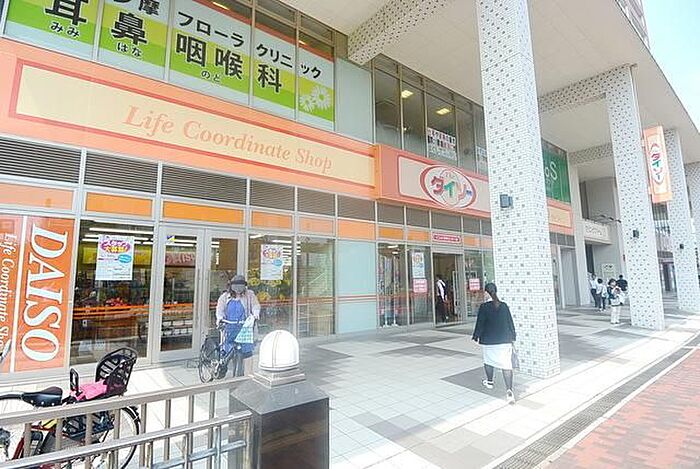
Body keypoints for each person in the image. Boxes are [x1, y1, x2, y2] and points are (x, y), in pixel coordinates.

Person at [472, 283, 517, 404]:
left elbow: (480, 323)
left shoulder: (484, 307)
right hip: (505, 340)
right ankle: (509, 390)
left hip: (489, 340)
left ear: (486, 293)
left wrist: (476, 336)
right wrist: (513, 336)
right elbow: (510, 322)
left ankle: (490, 382)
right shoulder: (504, 306)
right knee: (506, 365)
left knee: (488, 360)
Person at [215, 275, 260, 377]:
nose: (238, 290)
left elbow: (255, 305)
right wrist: (220, 318)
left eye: (241, 287)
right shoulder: (224, 297)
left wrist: (255, 314)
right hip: (230, 328)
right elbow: (220, 309)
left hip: (245, 328)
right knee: (229, 351)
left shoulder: (249, 295)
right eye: (236, 287)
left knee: (247, 351)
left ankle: (248, 374)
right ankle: (223, 367)